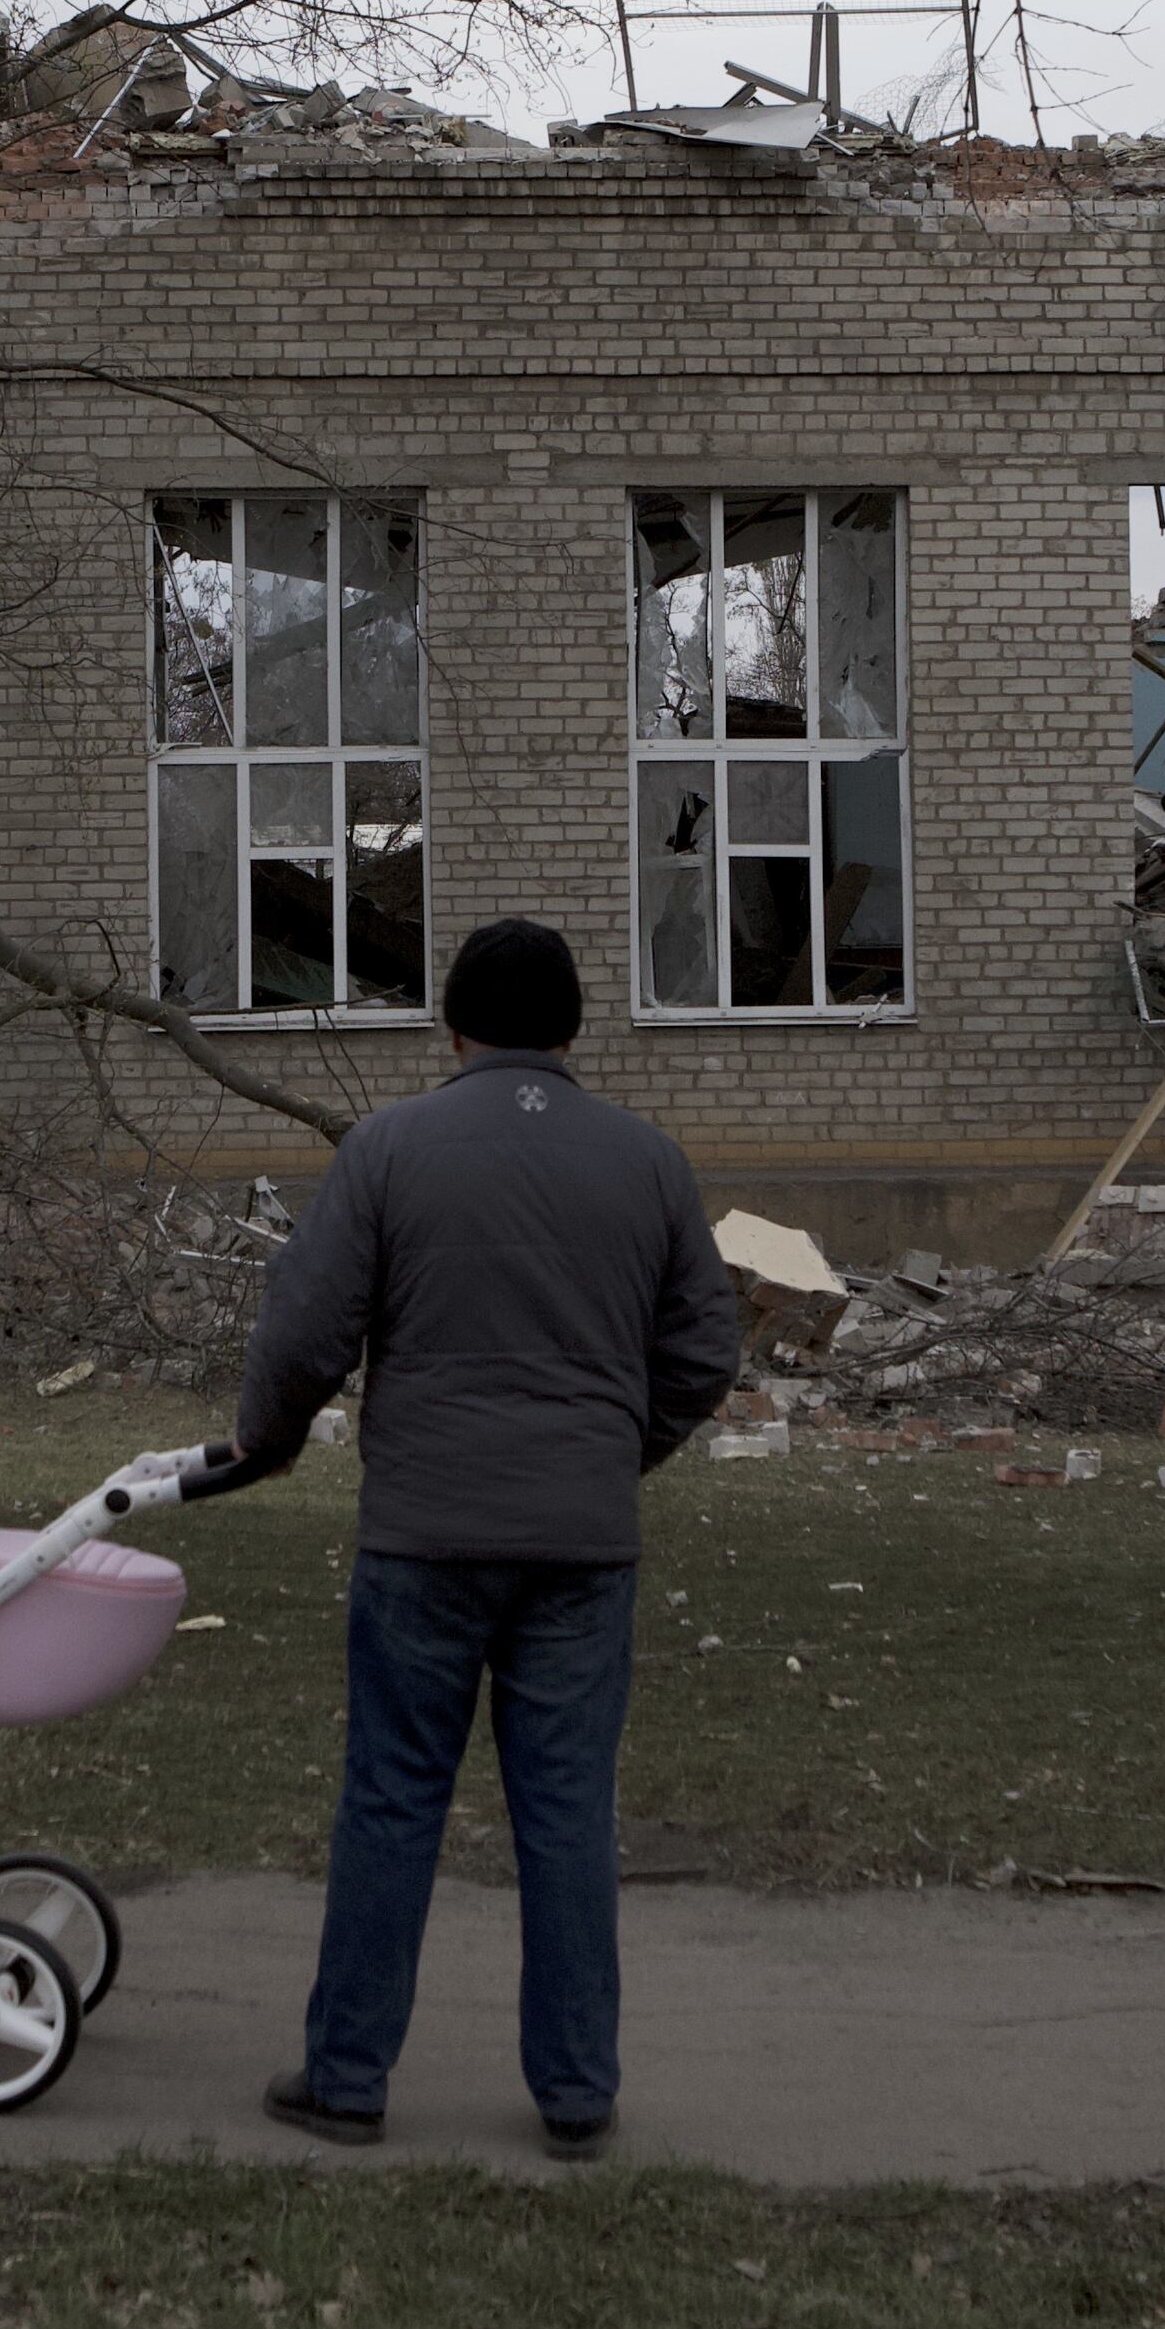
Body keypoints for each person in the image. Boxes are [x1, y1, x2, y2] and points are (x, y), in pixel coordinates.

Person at [220, 915, 740, 2160]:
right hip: (580, 1545)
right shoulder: (650, 1162)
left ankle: (346, 2076)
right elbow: (702, 1354)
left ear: (449, 1028)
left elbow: (306, 1329)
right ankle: (575, 2093)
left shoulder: (390, 1149)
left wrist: (267, 1442)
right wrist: (615, 1455)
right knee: (565, 1810)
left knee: (392, 1798)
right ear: (571, 1032)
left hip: (422, 1534)